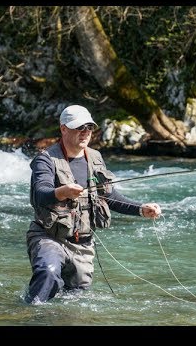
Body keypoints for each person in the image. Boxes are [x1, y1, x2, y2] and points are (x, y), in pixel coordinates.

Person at [25, 104, 162, 304]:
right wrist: (62, 192)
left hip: (83, 244)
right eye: (79, 127)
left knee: (74, 302)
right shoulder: (46, 160)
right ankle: (28, 314)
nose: (85, 132)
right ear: (63, 128)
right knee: (48, 272)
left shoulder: (96, 158)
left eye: (89, 127)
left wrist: (141, 209)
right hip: (48, 236)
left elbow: (110, 196)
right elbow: (41, 193)